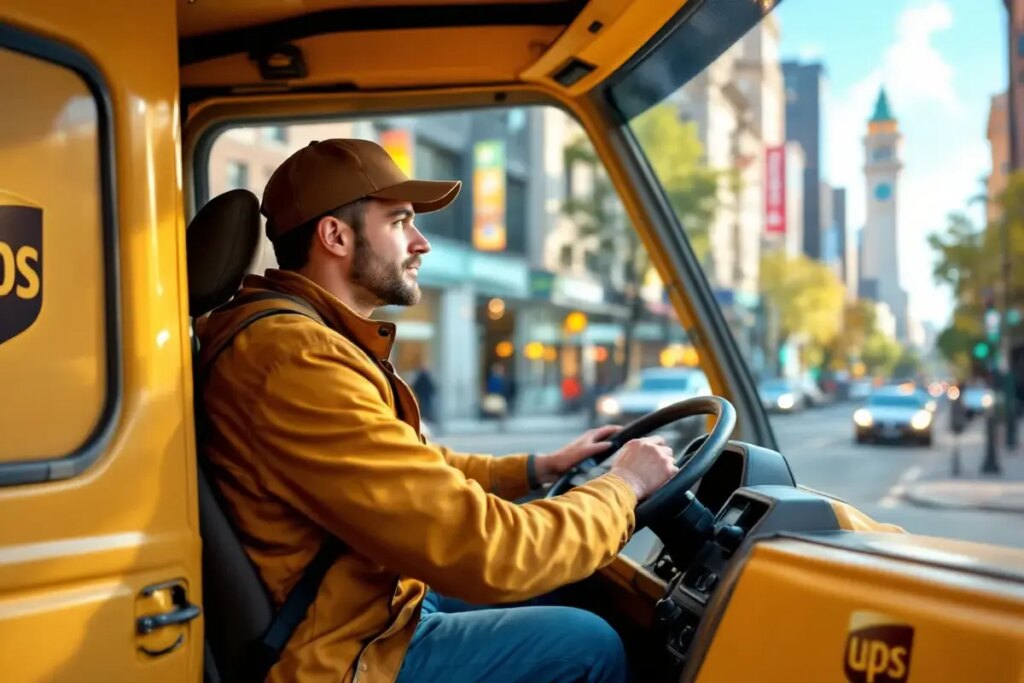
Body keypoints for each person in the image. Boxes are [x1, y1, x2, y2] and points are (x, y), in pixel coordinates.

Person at [198, 139, 678, 683]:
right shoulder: (296, 357)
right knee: (587, 644)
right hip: (341, 652)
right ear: (335, 235)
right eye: (401, 221)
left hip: (367, 609)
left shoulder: (296, 338)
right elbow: (490, 552)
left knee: (569, 587)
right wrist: (623, 486)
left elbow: (403, 464)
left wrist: (534, 470)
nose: (421, 242)